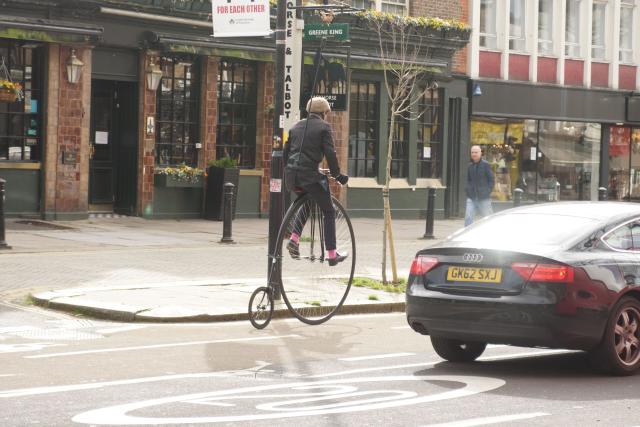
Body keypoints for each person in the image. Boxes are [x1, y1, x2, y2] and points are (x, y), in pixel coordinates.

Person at [284, 97, 349, 266]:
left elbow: (286, 154)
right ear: (323, 113)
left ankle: (294, 239)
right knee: (328, 211)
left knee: (308, 201)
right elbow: (330, 153)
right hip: (310, 177)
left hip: (292, 177)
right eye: (326, 113)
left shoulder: (295, 127)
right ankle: (332, 254)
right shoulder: (323, 127)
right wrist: (338, 175)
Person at [465, 145, 494, 226]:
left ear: (480, 153)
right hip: (471, 197)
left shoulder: (486, 165)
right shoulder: (470, 166)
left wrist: (487, 192)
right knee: (468, 217)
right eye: (472, 152)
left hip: (484, 197)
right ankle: (467, 234)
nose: (474, 154)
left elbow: (491, 180)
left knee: (488, 218)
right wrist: (468, 191)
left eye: (476, 152)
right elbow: (468, 180)